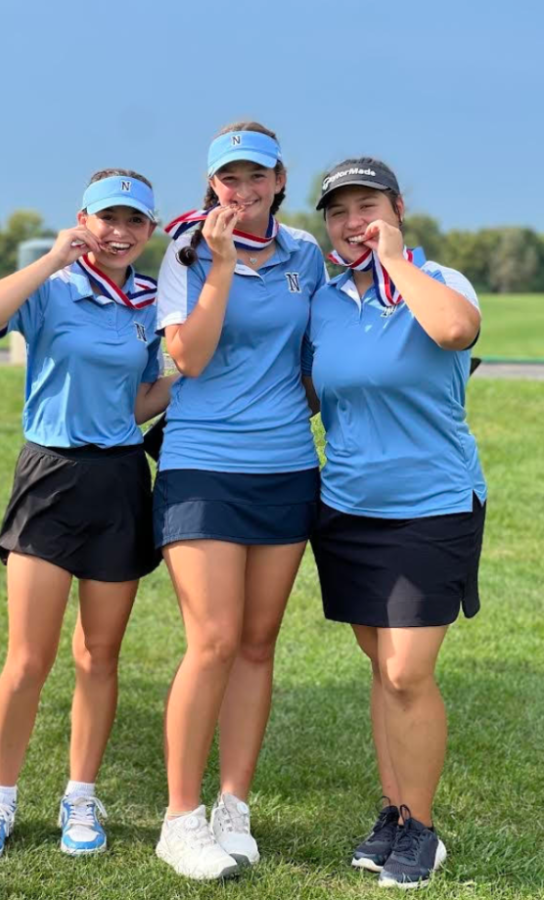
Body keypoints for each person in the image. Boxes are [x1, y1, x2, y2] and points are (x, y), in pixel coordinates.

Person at [0, 169, 174, 859]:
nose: (118, 232)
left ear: (149, 232)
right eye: (107, 218)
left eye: (132, 222)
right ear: (84, 218)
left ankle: (80, 795)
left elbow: (133, 404)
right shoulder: (52, 288)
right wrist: (52, 257)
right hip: (49, 475)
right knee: (29, 657)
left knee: (99, 656)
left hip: (117, 481)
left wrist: (184, 379)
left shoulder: (148, 303)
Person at [303, 158, 487, 888]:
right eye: (340, 211)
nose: (354, 221)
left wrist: (392, 261)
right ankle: (396, 814)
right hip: (347, 508)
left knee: (410, 671)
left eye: (367, 205)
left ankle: (424, 830)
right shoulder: (324, 301)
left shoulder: (439, 279)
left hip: (433, 504)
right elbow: (309, 390)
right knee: (383, 670)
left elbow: (455, 331)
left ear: (398, 207)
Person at [152, 122, 328, 880]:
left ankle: (233, 806)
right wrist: (220, 266)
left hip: (287, 468)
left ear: (280, 179)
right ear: (213, 185)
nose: (244, 191)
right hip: (202, 468)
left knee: (258, 644)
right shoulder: (185, 253)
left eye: (257, 177)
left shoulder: (308, 257)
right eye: (230, 179)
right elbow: (186, 356)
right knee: (215, 640)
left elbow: (315, 361)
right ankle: (180, 820)